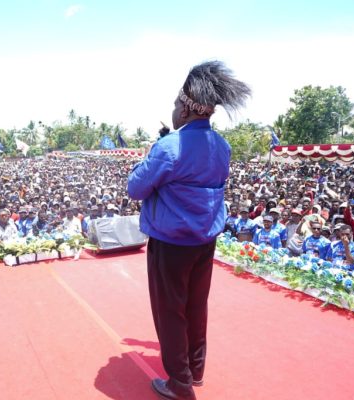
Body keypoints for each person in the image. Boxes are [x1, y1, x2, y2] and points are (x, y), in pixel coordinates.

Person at [128, 60, 250, 400]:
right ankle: (195, 370)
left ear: (185, 107)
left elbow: (135, 188)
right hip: (205, 240)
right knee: (196, 305)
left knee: (170, 310)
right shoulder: (222, 147)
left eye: (174, 104)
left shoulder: (169, 147)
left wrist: (150, 155)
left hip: (170, 243)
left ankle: (179, 384)